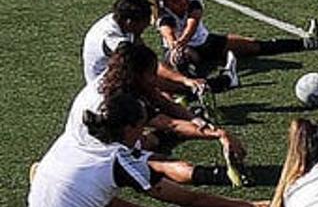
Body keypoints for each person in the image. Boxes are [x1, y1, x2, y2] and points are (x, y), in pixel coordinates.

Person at [23, 91, 255, 207]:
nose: (143, 133)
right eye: (141, 126)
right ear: (128, 128)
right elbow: (193, 199)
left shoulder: (73, 141)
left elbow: (98, 198)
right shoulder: (118, 159)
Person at [67, 42, 248, 187]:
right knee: (160, 164)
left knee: (151, 140)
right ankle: (220, 176)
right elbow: (170, 123)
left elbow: (162, 102)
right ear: (137, 75)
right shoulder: (119, 100)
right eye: (151, 74)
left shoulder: (115, 78)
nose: (155, 78)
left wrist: (194, 119)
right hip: (97, 159)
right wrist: (219, 134)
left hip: (83, 145)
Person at [151, 0, 317, 86]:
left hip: (206, 42)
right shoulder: (163, 14)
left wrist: (181, 41)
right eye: (174, 0)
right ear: (165, 4)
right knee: (182, 59)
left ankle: (306, 42)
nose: (181, 1)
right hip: (187, 49)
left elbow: (192, 23)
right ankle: (199, 87)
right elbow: (168, 33)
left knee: (254, 46)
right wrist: (176, 47)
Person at [82, 0, 201, 97]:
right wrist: (184, 84)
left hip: (116, 80)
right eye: (144, 23)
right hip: (106, 92)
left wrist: (182, 80)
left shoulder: (120, 21)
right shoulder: (112, 39)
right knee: (158, 99)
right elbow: (147, 72)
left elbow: (147, 61)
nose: (147, 26)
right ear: (130, 22)